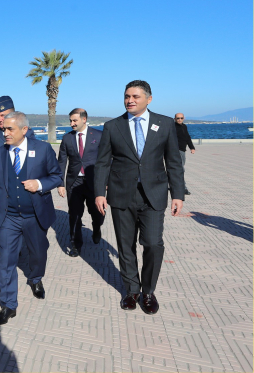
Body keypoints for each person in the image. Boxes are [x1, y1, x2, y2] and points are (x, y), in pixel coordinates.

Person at [94, 80, 184, 315]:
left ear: (149, 99)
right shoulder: (113, 126)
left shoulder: (164, 124)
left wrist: (178, 194)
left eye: (135, 96)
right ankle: (132, 290)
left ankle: (148, 291)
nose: (130, 100)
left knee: (153, 244)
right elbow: (102, 162)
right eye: (126, 96)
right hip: (121, 195)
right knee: (126, 246)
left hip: (153, 195)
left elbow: (173, 162)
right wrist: (98, 193)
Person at [0, 111, 62, 325]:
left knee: (38, 254)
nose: (6, 133)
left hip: (35, 215)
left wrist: (38, 185)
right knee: (6, 260)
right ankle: (9, 305)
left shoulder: (43, 149)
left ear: (24, 130)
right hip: (8, 217)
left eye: (10, 129)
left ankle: (35, 278)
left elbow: (56, 176)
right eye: (4, 129)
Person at [57, 108, 104, 257]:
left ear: (84, 119)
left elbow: (106, 160)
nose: (72, 123)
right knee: (75, 215)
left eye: (75, 120)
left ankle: (97, 228)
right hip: (74, 182)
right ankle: (76, 244)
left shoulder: (99, 135)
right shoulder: (67, 138)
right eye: (70, 120)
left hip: (93, 182)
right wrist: (60, 183)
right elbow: (62, 162)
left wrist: (106, 181)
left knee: (97, 213)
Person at [174, 113, 195, 195]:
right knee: (180, 169)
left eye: (181, 118)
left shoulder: (184, 126)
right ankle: (183, 188)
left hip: (182, 150)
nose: (179, 119)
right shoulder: (172, 127)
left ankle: (172, 184)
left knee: (178, 169)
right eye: (178, 118)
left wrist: (192, 147)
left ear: (184, 118)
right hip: (175, 150)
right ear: (175, 118)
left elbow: (187, 137)